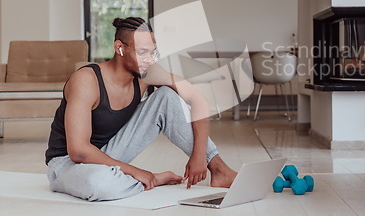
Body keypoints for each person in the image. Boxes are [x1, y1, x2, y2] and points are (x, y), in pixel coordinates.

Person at [44, 17, 237, 201]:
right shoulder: (87, 80)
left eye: (153, 53)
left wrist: (199, 154)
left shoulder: (146, 73)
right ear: (119, 48)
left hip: (109, 154)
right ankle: (149, 179)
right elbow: (78, 150)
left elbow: (198, 99)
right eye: (142, 52)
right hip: (69, 163)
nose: (149, 59)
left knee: (167, 96)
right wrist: (137, 171)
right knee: (99, 183)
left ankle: (220, 170)